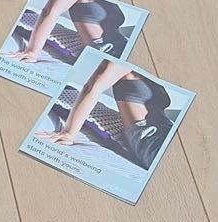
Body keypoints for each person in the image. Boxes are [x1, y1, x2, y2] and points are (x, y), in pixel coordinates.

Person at [36, 58, 172, 169]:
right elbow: (91, 88)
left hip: (167, 129)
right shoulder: (122, 58)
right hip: (150, 137)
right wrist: (68, 132)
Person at [6, 0, 128, 62]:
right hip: (99, 52)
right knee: (30, 18)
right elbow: (49, 12)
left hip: (121, 44)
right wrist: (32, 51)